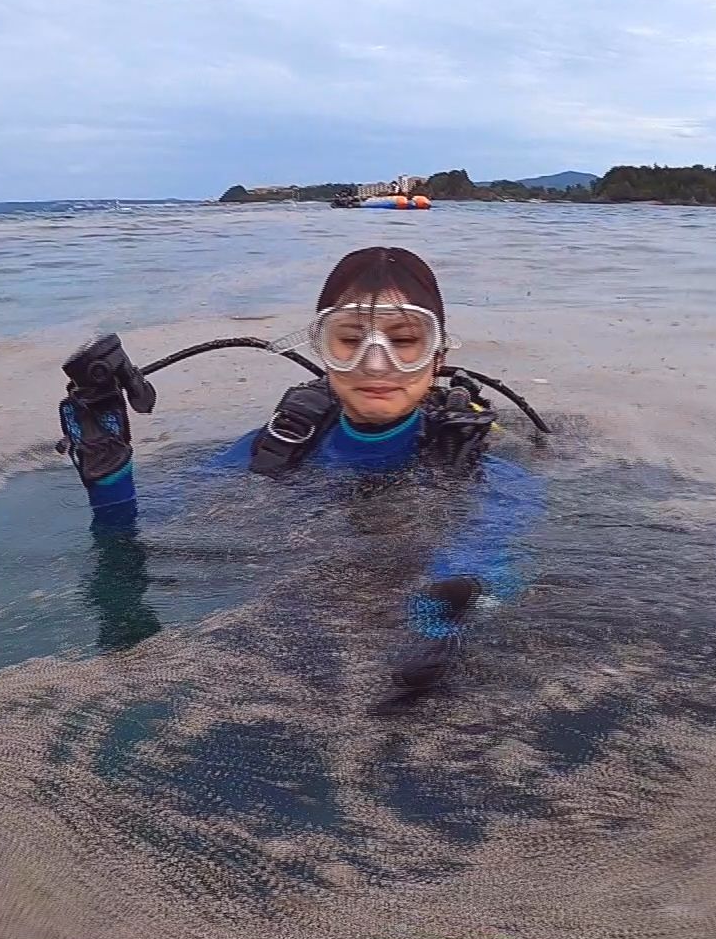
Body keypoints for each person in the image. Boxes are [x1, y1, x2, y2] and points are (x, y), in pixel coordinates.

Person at [57, 246, 544, 706]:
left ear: (436, 357)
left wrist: (436, 620)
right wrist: (109, 478)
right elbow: (132, 536)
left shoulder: (485, 472)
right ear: (323, 352)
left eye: (404, 341)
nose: (376, 363)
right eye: (351, 341)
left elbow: (490, 559)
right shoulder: (280, 445)